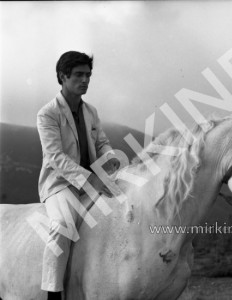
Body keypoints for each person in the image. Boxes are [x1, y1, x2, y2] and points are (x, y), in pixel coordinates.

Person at [37, 51, 120, 300]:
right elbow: (55, 157)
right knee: (62, 225)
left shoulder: (91, 111)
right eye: (79, 75)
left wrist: (111, 156)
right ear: (63, 77)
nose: (85, 80)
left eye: (88, 75)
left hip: (93, 181)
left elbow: (102, 142)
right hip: (60, 184)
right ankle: (53, 292)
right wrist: (90, 179)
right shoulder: (47, 113)